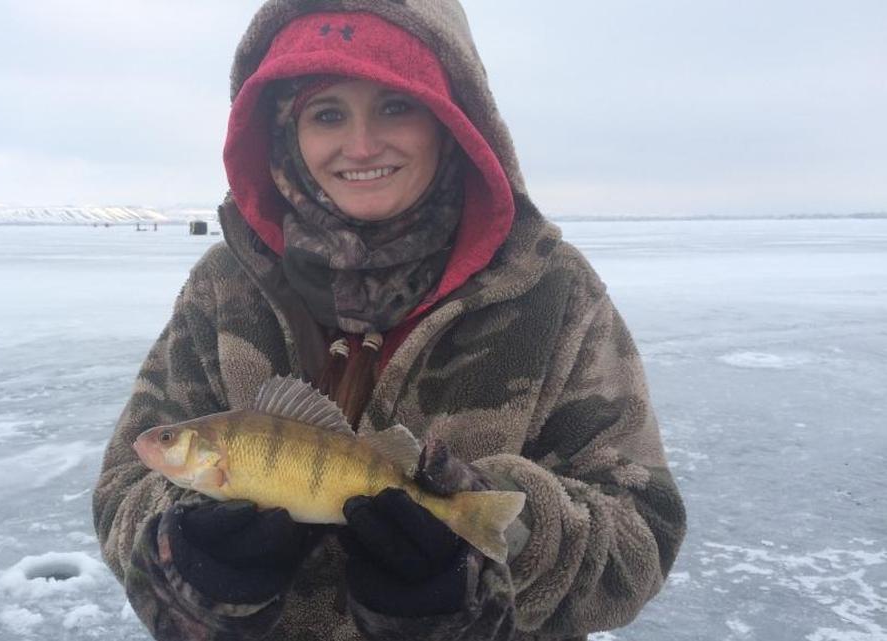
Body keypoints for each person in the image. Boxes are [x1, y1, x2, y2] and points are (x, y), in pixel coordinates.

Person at [94, 2, 686, 640]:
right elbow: (125, 488)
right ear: (285, 132)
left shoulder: (549, 290)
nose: (362, 144)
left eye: (396, 105)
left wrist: (492, 554)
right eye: (327, 113)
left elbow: (641, 532)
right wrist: (185, 555)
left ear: (451, 119)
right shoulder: (225, 287)